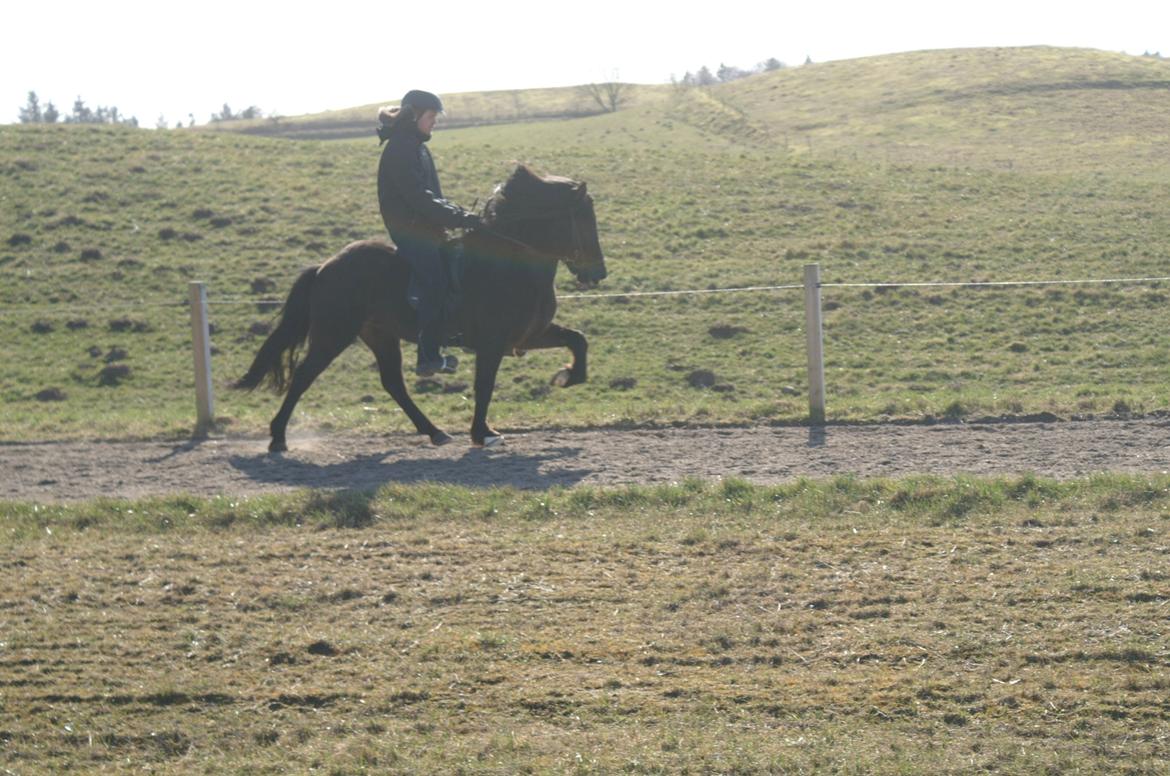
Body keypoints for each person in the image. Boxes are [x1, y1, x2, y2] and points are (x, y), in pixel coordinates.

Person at [376, 89, 481, 376]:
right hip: (410, 231)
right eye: (431, 116)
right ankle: (427, 357)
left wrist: (461, 215)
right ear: (414, 116)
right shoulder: (401, 149)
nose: (434, 122)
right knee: (434, 281)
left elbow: (434, 196)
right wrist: (458, 217)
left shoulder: (417, 146)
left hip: (426, 227)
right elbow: (419, 198)